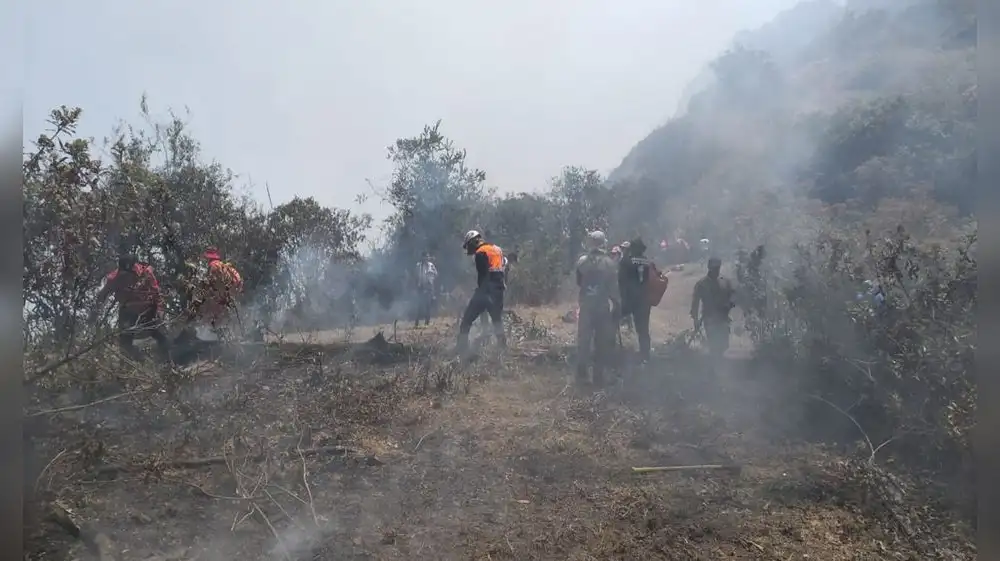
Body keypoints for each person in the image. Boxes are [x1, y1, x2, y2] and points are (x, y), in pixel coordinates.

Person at [91, 255, 171, 362]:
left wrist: (159, 310)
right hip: (128, 310)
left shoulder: (146, 273)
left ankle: (169, 362)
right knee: (125, 343)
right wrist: (95, 311)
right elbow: (102, 295)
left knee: (161, 335)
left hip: (148, 308)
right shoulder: (114, 278)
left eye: (129, 275)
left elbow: (156, 292)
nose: (127, 278)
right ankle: (133, 362)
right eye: (123, 275)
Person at [574, 231, 621, 385]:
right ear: (603, 243)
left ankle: (581, 375)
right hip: (602, 307)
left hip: (586, 306)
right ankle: (598, 376)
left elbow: (579, 283)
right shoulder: (609, 263)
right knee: (601, 342)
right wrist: (617, 304)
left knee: (584, 341)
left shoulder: (581, 262)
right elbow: (613, 288)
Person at [456, 230, 507, 355]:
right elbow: (502, 270)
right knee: (497, 321)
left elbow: (483, 275)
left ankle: (462, 349)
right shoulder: (497, 249)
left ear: (474, 241)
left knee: (467, 320)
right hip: (499, 290)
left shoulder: (480, 253)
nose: (470, 249)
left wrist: (481, 293)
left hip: (486, 291)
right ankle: (503, 348)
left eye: (469, 245)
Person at [691, 257, 736, 361]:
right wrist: (695, 320)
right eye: (714, 268)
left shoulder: (725, 282)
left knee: (724, 344)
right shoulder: (702, 284)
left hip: (723, 318)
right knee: (714, 344)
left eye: (718, 268)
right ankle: (714, 364)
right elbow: (695, 303)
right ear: (709, 268)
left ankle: (717, 361)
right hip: (709, 319)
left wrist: (730, 304)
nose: (716, 270)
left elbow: (733, 295)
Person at [619, 237, 655, 362]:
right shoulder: (648, 262)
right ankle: (645, 355)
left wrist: (621, 299)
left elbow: (621, 282)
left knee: (612, 321)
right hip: (644, 300)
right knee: (643, 329)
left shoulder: (625, 262)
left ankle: (611, 350)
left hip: (629, 300)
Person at [201, 247, 244, 332]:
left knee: (211, 311)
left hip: (223, 294)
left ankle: (217, 330)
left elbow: (216, 284)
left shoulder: (213, 266)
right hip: (231, 292)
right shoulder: (222, 265)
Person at [414, 251, 438, 327]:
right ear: (422, 257)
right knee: (419, 305)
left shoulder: (431, 265)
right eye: (425, 256)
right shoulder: (418, 265)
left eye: (427, 256)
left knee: (428, 305)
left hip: (429, 286)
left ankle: (427, 322)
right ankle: (417, 323)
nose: (426, 258)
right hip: (421, 286)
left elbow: (436, 274)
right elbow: (415, 276)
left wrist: (431, 276)